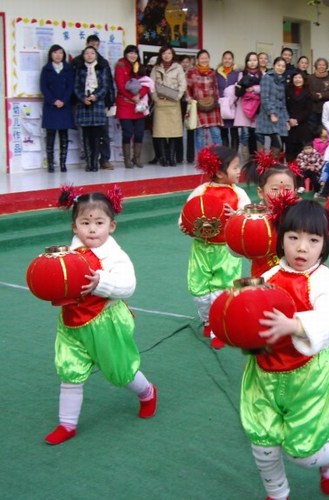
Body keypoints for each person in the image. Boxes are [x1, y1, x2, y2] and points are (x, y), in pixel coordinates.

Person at [240, 200, 329, 499]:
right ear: (281, 238)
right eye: (293, 237)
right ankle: (278, 493)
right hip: (264, 373)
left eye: (313, 240)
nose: (302, 248)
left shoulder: (324, 281)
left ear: (324, 244)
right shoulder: (269, 277)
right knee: (262, 444)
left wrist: (296, 325)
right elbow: (249, 314)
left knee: (302, 453)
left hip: (307, 376)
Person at [46, 188, 157, 445]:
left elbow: (128, 286)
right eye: (85, 223)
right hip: (71, 324)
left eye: (99, 222)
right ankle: (67, 424)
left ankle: (147, 392)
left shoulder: (115, 256)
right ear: (75, 227)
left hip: (106, 323)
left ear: (112, 225)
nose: (92, 229)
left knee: (121, 372)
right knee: (69, 370)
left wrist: (101, 282)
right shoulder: (68, 255)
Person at [179, 146, 251, 349]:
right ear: (219, 172)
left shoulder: (239, 194)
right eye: (235, 167)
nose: (238, 171)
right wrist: (185, 226)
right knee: (199, 292)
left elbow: (248, 219)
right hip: (201, 249)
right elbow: (186, 216)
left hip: (227, 251)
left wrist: (236, 215)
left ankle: (218, 328)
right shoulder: (200, 191)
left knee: (222, 291)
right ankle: (207, 320)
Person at [241, 155, 298, 277]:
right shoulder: (253, 219)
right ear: (260, 192)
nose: (281, 193)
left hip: (295, 280)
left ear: (295, 191)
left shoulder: (301, 215)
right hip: (263, 279)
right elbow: (236, 250)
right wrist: (236, 226)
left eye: (287, 189)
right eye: (275, 189)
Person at [72, 34, 115, 170]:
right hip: (82, 103)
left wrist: (100, 97)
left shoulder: (103, 63)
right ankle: (89, 162)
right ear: (86, 45)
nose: (90, 53)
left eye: (95, 46)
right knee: (85, 134)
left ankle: (103, 160)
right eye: (90, 47)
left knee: (101, 133)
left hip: (99, 103)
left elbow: (107, 84)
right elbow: (75, 85)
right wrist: (82, 98)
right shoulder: (78, 63)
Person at [115, 45, 152, 169]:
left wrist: (139, 95)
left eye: (135, 53)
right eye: (130, 53)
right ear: (126, 54)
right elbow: (120, 86)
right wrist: (132, 97)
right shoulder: (120, 66)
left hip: (139, 105)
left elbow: (146, 83)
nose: (133, 55)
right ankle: (127, 159)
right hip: (125, 104)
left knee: (139, 132)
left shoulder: (140, 66)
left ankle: (137, 158)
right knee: (127, 132)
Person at [40, 44, 75, 173]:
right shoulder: (46, 69)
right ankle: (50, 164)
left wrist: (63, 101)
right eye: (55, 53)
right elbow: (43, 88)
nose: (58, 55)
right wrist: (54, 101)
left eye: (60, 53)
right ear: (50, 55)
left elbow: (70, 87)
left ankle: (62, 163)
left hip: (64, 106)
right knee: (50, 136)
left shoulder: (68, 69)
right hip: (51, 106)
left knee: (64, 136)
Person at [150, 46, 186, 166]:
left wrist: (177, 96)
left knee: (173, 133)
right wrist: (155, 99)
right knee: (160, 133)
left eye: (169, 53)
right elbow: (151, 85)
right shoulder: (155, 68)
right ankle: (164, 158)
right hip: (160, 104)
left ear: (172, 55)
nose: (166, 55)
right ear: (161, 55)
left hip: (174, 104)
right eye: (164, 53)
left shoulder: (178, 67)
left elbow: (183, 84)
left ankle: (171, 158)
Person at [186, 49, 223, 151]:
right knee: (200, 134)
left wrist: (216, 101)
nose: (204, 60)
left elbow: (216, 88)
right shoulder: (191, 72)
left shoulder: (213, 72)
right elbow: (187, 88)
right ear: (197, 59)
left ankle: (220, 156)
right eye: (202, 58)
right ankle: (202, 157)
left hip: (212, 106)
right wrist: (190, 100)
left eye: (206, 58)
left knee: (216, 133)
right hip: (198, 106)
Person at [255, 57, 289, 157]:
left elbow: (283, 102)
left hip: (279, 115)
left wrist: (286, 119)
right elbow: (264, 98)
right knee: (267, 143)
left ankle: (272, 164)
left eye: (283, 66)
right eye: (278, 65)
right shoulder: (267, 78)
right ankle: (261, 163)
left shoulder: (282, 81)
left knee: (277, 145)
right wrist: (271, 113)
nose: (280, 68)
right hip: (267, 115)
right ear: (274, 66)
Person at [234, 52, 262, 163]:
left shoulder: (262, 74)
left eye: (254, 60)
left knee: (258, 134)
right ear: (246, 62)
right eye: (250, 60)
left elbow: (264, 88)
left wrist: (254, 89)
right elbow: (239, 89)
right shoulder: (242, 74)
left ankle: (261, 159)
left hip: (257, 109)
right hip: (244, 109)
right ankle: (246, 161)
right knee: (245, 134)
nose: (252, 62)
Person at [285, 72, 313, 160]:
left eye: (300, 78)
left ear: (303, 79)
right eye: (295, 78)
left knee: (301, 151)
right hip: (289, 124)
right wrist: (289, 119)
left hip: (302, 125)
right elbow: (284, 106)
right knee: (289, 149)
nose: (298, 80)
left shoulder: (308, 92)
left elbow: (308, 110)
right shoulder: (287, 91)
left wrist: (297, 120)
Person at [216, 50, 240, 151]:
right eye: (225, 58)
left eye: (229, 59)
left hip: (234, 105)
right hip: (221, 105)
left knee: (234, 132)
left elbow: (239, 88)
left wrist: (235, 99)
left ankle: (234, 154)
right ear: (222, 59)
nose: (227, 60)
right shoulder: (217, 73)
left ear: (233, 60)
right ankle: (226, 155)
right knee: (223, 132)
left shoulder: (237, 73)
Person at [175, 54, 195, 164]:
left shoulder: (193, 73)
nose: (185, 64)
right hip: (179, 104)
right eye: (183, 62)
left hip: (190, 104)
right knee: (179, 130)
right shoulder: (177, 73)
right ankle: (179, 157)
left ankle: (190, 157)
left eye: (187, 62)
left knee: (191, 129)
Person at [308, 58, 329, 131]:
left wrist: (322, 95)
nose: (321, 66)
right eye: (319, 64)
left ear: (326, 66)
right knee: (312, 129)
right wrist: (316, 96)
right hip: (312, 108)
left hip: (325, 109)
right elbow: (308, 91)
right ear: (316, 66)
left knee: (324, 130)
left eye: (323, 65)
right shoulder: (310, 78)